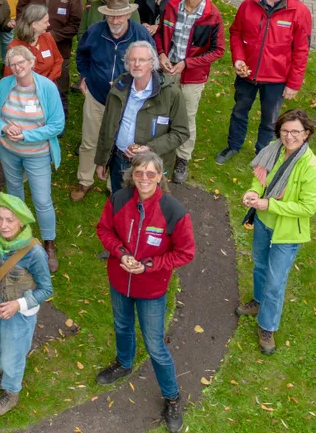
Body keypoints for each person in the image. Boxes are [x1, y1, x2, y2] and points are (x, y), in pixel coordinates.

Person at [95, 151, 195, 433]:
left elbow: (185, 253)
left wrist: (150, 265)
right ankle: (124, 363)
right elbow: (104, 230)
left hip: (151, 289)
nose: (144, 179)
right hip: (120, 281)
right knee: (122, 326)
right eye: (139, 173)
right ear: (132, 175)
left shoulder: (174, 211)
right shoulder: (119, 200)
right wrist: (120, 252)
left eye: (151, 174)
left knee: (155, 345)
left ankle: (173, 398)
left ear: (160, 177)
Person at [235, 109, 316, 355]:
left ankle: (267, 326)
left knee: (276, 282)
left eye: (295, 132)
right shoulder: (272, 150)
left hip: (287, 233)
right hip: (264, 223)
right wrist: (253, 193)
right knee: (260, 266)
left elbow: (307, 208)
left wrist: (270, 204)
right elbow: (260, 180)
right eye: (285, 131)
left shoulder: (314, 169)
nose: (289, 137)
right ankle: (257, 300)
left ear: (306, 134)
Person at [215, 0, 313, 165]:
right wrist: (238, 60)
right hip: (247, 74)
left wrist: (293, 83)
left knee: (270, 121)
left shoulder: (300, 12)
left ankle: (263, 156)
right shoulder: (248, 5)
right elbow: (236, 32)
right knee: (239, 111)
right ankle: (233, 146)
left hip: (276, 79)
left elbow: (302, 51)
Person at [0, 46, 65, 272]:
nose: (18, 68)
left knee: (41, 199)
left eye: (22, 63)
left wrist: (26, 135)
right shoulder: (5, 85)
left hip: (37, 153)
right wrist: (3, 128)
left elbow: (57, 125)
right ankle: (18, 238)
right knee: (15, 193)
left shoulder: (47, 88)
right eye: (13, 64)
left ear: (31, 62)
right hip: (8, 150)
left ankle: (49, 244)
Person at [72, 0, 154, 202]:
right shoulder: (94, 31)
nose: (115, 21)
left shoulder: (140, 34)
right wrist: (85, 77)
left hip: (127, 102)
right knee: (89, 140)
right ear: (106, 15)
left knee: (119, 142)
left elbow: (150, 64)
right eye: (111, 16)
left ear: (128, 14)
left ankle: (114, 184)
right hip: (97, 96)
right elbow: (81, 55)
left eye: (120, 16)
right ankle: (85, 180)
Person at [0, 192, 53, 417]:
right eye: (0, 218)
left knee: (14, 354)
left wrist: (17, 305)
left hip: (20, 314)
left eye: (10, 220)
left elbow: (46, 289)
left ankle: (12, 392)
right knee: (0, 347)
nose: (3, 225)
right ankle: (5, 376)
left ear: (21, 222)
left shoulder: (35, 253)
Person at [94, 42, 189, 204]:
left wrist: (150, 148)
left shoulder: (171, 92)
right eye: (132, 60)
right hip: (119, 161)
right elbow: (107, 126)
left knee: (148, 208)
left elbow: (181, 132)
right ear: (127, 63)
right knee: (120, 204)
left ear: (152, 63)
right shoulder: (119, 86)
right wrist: (102, 161)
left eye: (142, 60)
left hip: (150, 166)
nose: (137, 64)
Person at [155, 0, 225, 184]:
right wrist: (161, 53)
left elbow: (218, 50)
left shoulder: (212, 15)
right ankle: (161, 154)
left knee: (187, 117)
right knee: (163, 112)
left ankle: (182, 158)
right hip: (168, 70)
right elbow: (160, 33)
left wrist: (188, 63)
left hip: (192, 76)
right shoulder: (172, 6)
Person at [17, 0, 82, 118]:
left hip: (59, 50)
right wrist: (28, 32)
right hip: (30, 47)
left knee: (59, 88)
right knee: (29, 85)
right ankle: (29, 117)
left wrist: (52, 37)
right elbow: (20, 10)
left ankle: (58, 122)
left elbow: (75, 24)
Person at [6, 4, 63, 82]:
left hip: (48, 88)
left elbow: (58, 60)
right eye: (45, 22)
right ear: (34, 25)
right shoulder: (15, 47)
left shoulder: (48, 38)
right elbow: (9, 78)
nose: (49, 25)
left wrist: (48, 81)